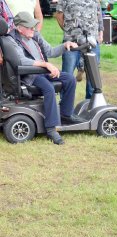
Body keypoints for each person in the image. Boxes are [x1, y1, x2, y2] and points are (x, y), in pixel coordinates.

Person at [7, 11, 79, 145]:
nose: (33, 29)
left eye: (33, 26)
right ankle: (51, 129)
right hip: (30, 75)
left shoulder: (35, 36)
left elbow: (50, 52)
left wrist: (65, 45)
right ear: (19, 28)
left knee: (69, 79)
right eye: (29, 27)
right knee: (49, 88)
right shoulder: (12, 40)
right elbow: (21, 61)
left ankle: (66, 114)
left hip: (42, 70)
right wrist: (45, 64)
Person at [55, 0, 104, 99]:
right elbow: (59, 15)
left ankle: (91, 103)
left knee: (93, 76)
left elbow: (99, 15)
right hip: (72, 42)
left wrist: (101, 34)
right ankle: (65, 105)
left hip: (92, 42)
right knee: (67, 74)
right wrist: (68, 30)